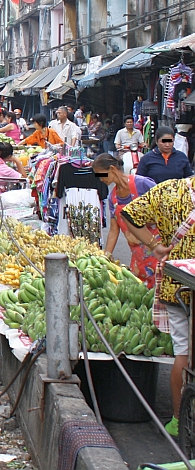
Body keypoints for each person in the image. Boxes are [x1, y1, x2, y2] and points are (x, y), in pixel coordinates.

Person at [121, 178, 195, 437]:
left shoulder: (171, 189)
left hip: (178, 285)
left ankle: (178, 420)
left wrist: (154, 246)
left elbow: (129, 214)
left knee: (183, 352)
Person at [91, 153, 158, 287]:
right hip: (138, 257)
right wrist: (106, 256)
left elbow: (164, 211)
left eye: (100, 174)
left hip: (158, 250)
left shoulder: (143, 184)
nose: (100, 179)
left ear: (112, 169)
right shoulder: (113, 198)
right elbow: (114, 231)